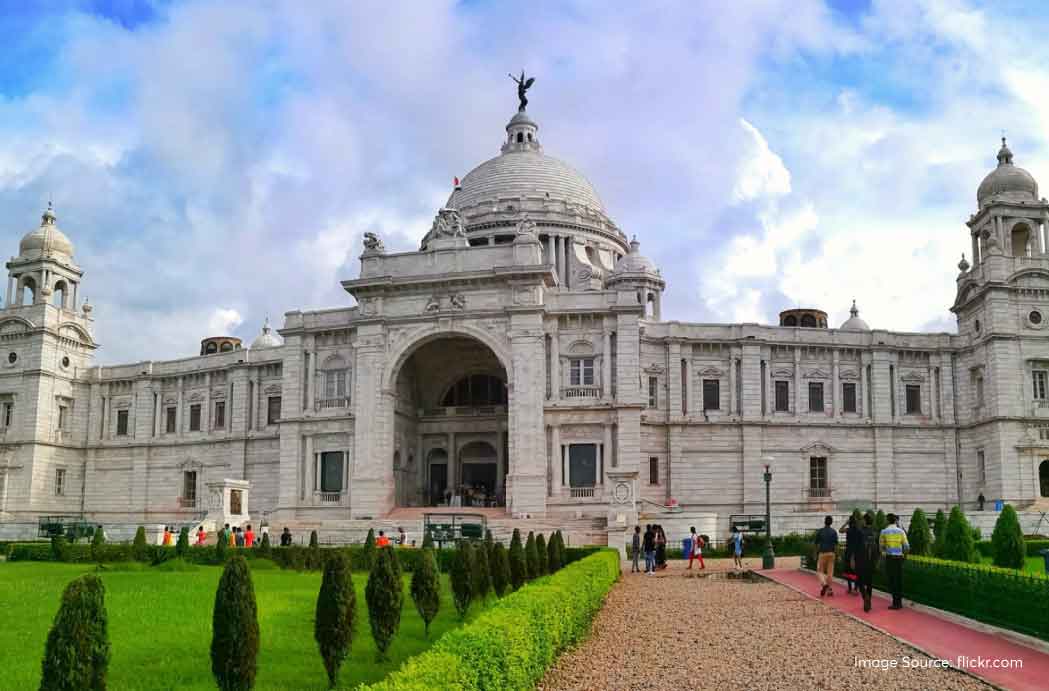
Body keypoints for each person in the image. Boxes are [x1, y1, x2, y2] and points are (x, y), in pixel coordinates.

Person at [880, 513, 910, 610]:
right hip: (899, 558)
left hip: (889, 558)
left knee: (891, 580)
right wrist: (904, 556)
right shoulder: (901, 531)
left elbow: (881, 547)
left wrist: (885, 552)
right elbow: (907, 546)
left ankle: (895, 602)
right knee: (899, 580)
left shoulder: (884, 532)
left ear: (888, 520)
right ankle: (899, 602)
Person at [857, 513, 879, 612]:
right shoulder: (875, 531)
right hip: (872, 560)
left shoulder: (861, 531)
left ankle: (865, 596)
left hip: (862, 559)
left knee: (860, 581)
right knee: (869, 582)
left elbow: (856, 546)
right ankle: (868, 600)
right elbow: (878, 547)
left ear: (865, 521)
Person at [814, 515, 838, 597]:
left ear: (825, 522)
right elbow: (836, 545)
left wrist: (815, 553)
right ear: (831, 523)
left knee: (819, 571)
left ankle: (824, 585)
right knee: (830, 573)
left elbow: (816, 544)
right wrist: (837, 554)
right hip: (832, 553)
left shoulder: (820, 531)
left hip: (822, 553)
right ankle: (830, 590)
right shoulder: (834, 532)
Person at [841, 516, 864, 595]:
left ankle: (850, 588)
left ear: (850, 523)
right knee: (857, 571)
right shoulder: (859, 531)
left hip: (849, 552)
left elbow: (840, 530)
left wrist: (845, 523)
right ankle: (856, 589)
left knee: (848, 571)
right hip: (857, 553)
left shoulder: (848, 530)